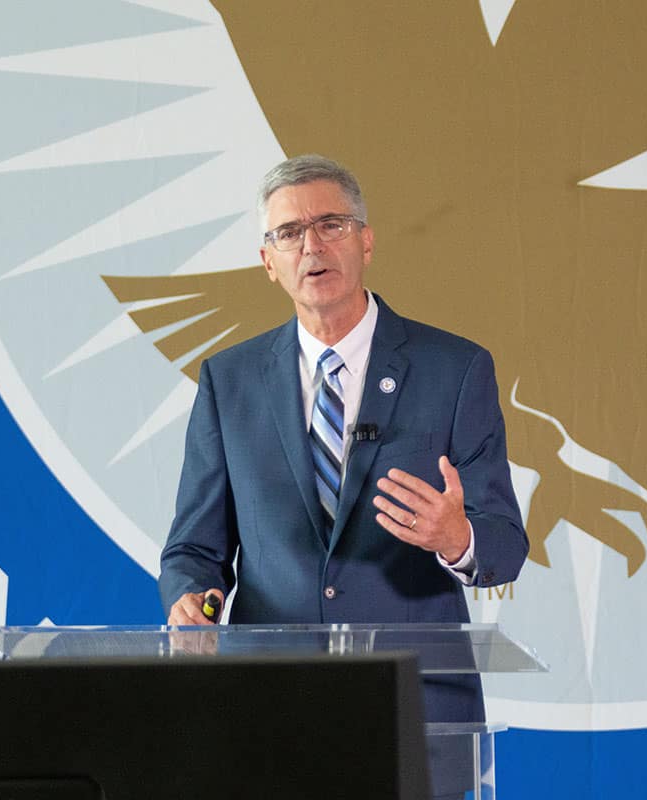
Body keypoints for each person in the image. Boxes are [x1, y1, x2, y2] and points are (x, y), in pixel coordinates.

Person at [159, 154, 527, 795]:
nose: (311, 245)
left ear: (365, 240)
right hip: (270, 710)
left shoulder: (455, 369)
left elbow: (505, 543)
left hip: (415, 707)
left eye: (330, 224)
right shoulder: (229, 382)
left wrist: (455, 537)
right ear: (267, 262)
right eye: (289, 233)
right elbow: (195, 547)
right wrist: (192, 600)